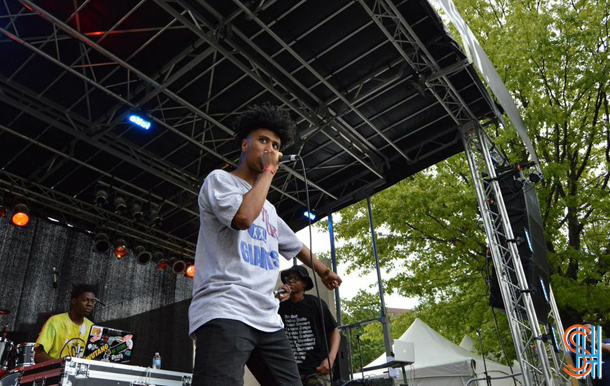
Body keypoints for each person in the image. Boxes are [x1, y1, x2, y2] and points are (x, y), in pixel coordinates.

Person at [189, 103, 342, 386]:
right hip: (226, 307)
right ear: (244, 145)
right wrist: (269, 170)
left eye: (276, 144)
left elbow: (294, 244)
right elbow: (243, 217)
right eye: (263, 141)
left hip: (267, 318)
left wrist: (323, 271)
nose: (270, 148)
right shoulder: (219, 181)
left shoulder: (268, 208)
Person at [277, 265, 341, 386]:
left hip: (317, 368)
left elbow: (334, 331)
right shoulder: (280, 308)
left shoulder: (315, 304)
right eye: (288, 278)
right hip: (292, 370)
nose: (290, 281)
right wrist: (277, 300)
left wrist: (331, 359)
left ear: (304, 284)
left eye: (295, 278)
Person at [34, 284, 96, 363]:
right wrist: (63, 365)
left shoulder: (92, 327)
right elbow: (39, 356)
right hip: (56, 373)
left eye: (92, 301)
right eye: (85, 300)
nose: (89, 304)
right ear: (74, 301)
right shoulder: (55, 321)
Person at [581, 321, 610, 386]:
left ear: (596, 332)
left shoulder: (607, 342)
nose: (588, 332)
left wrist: (592, 343)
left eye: (590, 330)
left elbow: (608, 349)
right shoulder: (585, 353)